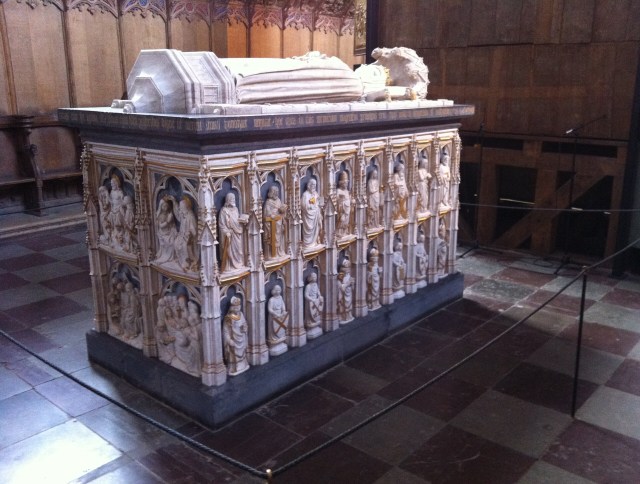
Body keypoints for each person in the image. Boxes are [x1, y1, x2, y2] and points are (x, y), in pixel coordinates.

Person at [218, 193, 247, 272]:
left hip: (237, 233)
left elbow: (237, 220)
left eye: (234, 199)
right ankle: (229, 266)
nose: (233, 200)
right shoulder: (224, 211)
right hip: (229, 234)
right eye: (231, 199)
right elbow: (222, 225)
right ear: (228, 200)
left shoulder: (236, 209)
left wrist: (243, 220)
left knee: (239, 250)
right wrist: (226, 232)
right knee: (229, 250)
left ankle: (238, 264)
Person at [223, 296, 249, 376]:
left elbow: (244, 323)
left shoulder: (241, 314)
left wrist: (245, 327)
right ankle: (234, 368)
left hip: (241, 338)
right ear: (231, 308)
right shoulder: (228, 317)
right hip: (234, 340)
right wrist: (229, 340)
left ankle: (243, 364)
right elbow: (225, 331)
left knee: (242, 352)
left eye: (238, 307)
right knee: (233, 353)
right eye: (235, 307)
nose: (237, 308)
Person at [263, 185, 287, 259]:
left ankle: (278, 252)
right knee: (272, 238)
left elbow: (281, 211)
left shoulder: (278, 200)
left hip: (279, 223)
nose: (276, 194)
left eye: (277, 192)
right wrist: (272, 214)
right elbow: (266, 213)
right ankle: (271, 254)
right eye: (275, 192)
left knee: (279, 238)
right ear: (272, 193)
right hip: (271, 224)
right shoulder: (268, 202)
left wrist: (283, 210)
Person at [301, 178, 323, 248]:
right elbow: (303, 206)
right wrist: (311, 205)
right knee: (308, 230)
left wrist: (320, 202)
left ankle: (315, 241)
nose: (314, 187)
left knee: (317, 228)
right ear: (309, 185)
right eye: (313, 185)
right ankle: (307, 244)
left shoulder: (315, 193)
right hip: (308, 217)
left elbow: (320, 202)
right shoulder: (305, 195)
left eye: (315, 185)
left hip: (316, 215)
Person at [155, 196, 177, 264]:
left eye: (166, 206)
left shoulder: (169, 214)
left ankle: (171, 257)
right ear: (161, 206)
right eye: (163, 206)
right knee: (167, 243)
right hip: (163, 233)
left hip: (170, 232)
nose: (165, 208)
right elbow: (161, 226)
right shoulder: (160, 215)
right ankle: (164, 255)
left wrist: (170, 222)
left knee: (172, 242)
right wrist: (168, 221)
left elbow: (172, 225)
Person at [336, 171, 351, 238]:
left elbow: (348, 198)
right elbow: (336, 200)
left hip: (347, 209)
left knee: (346, 221)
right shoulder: (338, 191)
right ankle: (339, 232)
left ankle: (345, 231)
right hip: (342, 210)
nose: (346, 185)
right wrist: (341, 200)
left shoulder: (347, 191)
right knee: (341, 220)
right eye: (345, 183)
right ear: (341, 183)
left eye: (347, 183)